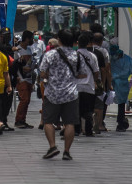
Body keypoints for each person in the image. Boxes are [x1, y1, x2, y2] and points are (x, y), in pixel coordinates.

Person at [38, 29, 87, 160]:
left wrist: (50, 76)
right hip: (70, 94)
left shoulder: (50, 54)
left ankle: (52, 146)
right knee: (70, 123)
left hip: (52, 93)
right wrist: (72, 77)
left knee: (48, 121)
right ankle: (66, 151)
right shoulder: (77, 56)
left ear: (59, 40)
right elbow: (83, 74)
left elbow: (42, 72)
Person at [75, 32, 101, 137]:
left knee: (76, 110)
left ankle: (76, 130)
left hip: (76, 87)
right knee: (89, 110)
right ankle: (88, 130)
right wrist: (94, 81)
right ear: (88, 43)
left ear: (77, 43)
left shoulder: (73, 55)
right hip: (89, 87)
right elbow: (96, 72)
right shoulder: (92, 56)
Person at [107, 38, 132, 132]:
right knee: (105, 102)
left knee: (121, 104)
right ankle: (101, 122)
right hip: (114, 83)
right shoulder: (111, 58)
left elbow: (126, 72)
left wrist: (114, 76)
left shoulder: (127, 60)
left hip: (121, 84)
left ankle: (120, 123)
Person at [13, 31, 37, 128]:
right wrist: (17, 76)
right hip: (21, 78)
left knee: (27, 101)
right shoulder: (17, 50)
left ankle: (23, 120)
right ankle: (18, 120)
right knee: (24, 99)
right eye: (31, 38)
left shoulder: (29, 49)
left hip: (29, 77)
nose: (32, 40)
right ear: (27, 39)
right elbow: (15, 65)